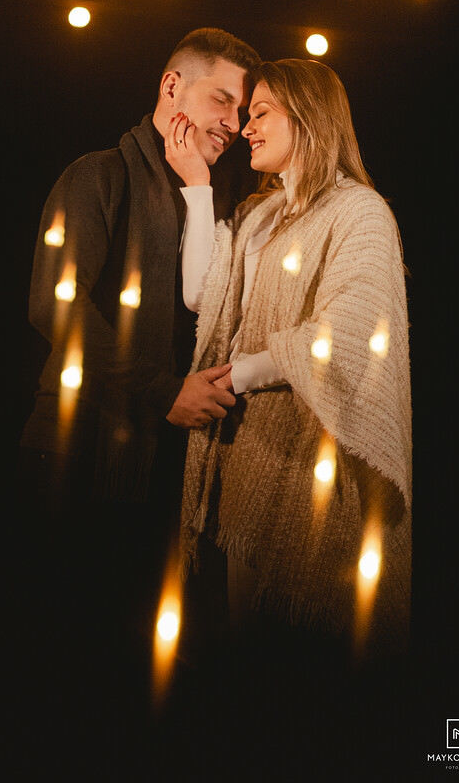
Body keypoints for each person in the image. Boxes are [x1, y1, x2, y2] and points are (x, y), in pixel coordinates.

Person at [165, 58, 411, 663]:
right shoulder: (258, 215)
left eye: (261, 113)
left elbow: (348, 334)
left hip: (310, 460)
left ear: (308, 115)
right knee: (243, 654)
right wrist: (197, 185)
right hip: (244, 455)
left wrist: (236, 376)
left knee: (302, 657)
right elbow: (202, 295)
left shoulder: (359, 212)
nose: (246, 127)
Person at [20, 27, 260, 517]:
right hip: (75, 444)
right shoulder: (98, 175)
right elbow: (54, 304)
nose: (234, 123)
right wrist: (166, 392)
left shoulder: (220, 199)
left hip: (172, 452)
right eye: (222, 100)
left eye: (241, 110)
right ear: (171, 87)